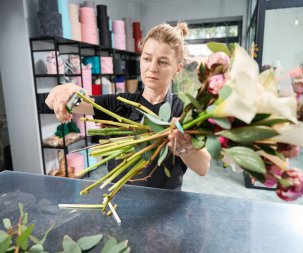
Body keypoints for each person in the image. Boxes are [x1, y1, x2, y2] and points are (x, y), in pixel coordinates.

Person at [46, 22, 211, 190]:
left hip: (166, 205)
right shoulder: (120, 104)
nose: (152, 68)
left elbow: (204, 167)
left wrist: (187, 149)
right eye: (147, 58)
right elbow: (63, 102)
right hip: (120, 202)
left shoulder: (184, 111)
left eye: (163, 62)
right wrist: (65, 89)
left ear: (177, 68)